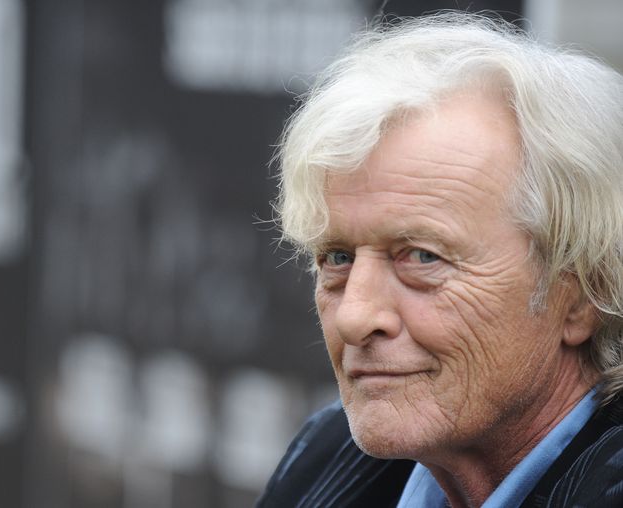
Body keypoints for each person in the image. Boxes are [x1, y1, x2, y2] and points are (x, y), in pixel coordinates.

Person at [257, 12, 623, 508]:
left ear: (582, 293)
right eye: (338, 257)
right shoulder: (325, 459)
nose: (354, 318)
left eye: (422, 257)